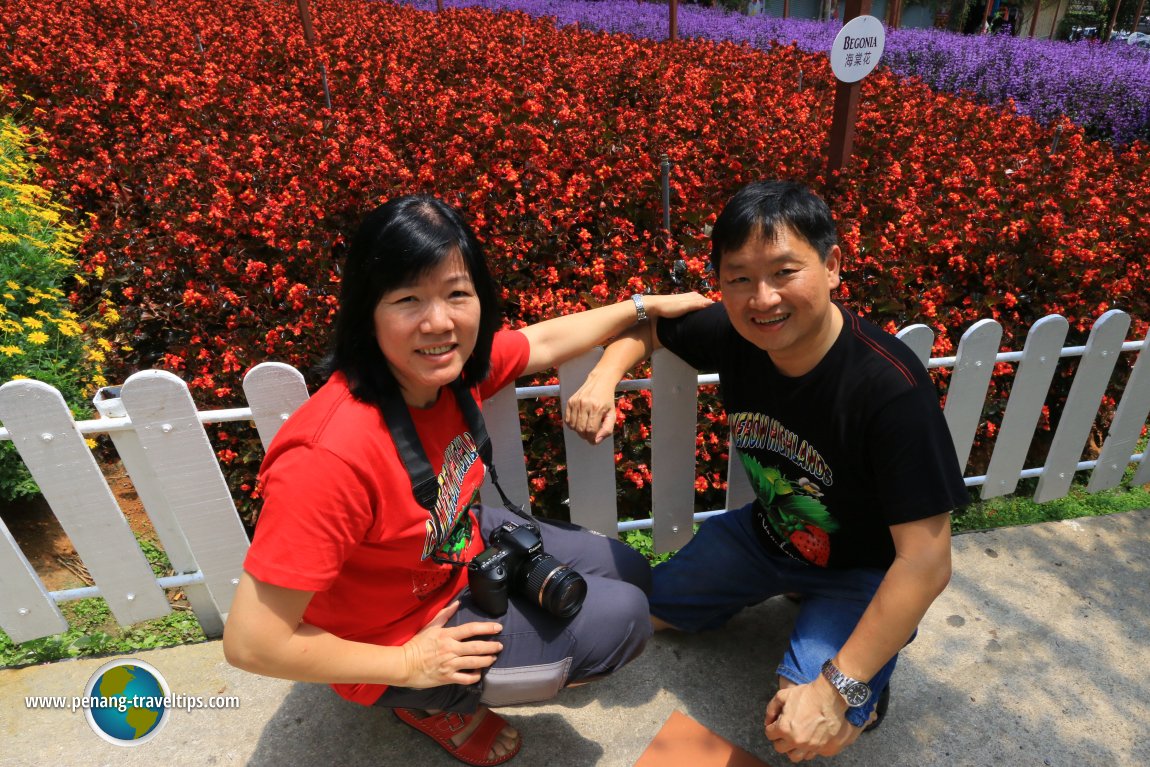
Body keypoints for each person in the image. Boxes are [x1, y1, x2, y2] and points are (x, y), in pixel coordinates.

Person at [222, 194, 712, 766]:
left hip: (456, 548)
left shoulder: (450, 369)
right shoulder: (328, 457)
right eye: (408, 299)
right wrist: (408, 664)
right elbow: (252, 643)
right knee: (622, 622)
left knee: (630, 570)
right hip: (398, 630)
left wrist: (644, 307)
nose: (439, 321)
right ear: (366, 312)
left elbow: (548, 341)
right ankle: (432, 700)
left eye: (457, 294)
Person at [565, 181, 969, 761]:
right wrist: (604, 379)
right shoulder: (737, 335)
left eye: (784, 272)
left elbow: (927, 561)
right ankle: (796, 611)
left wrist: (837, 690)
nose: (763, 298)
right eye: (739, 278)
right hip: (767, 537)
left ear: (833, 266)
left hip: (865, 572)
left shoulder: (889, 389)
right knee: (632, 611)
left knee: (798, 724)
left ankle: (868, 672)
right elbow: (650, 329)